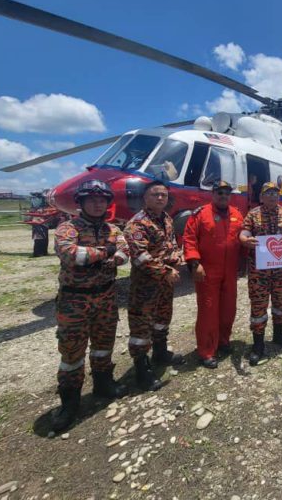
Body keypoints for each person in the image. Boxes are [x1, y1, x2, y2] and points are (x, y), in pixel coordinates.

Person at [51, 180, 130, 432]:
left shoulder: (113, 229)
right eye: (92, 200)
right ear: (81, 203)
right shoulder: (67, 228)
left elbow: (124, 252)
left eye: (102, 200)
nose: (97, 204)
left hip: (106, 296)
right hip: (75, 300)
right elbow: (71, 254)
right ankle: (70, 402)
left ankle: (103, 384)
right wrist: (107, 252)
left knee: (103, 344)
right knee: (72, 352)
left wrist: (110, 256)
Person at [124, 180, 185, 391]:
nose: (160, 198)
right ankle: (142, 370)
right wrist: (166, 271)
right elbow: (140, 256)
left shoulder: (166, 219)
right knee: (141, 327)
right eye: (155, 194)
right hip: (146, 285)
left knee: (162, 319)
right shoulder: (137, 224)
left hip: (165, 285)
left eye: (163, 195)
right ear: (145, 197)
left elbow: (172, 244)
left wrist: (177, 257)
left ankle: (160, 353)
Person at [239, 182, 282, 366]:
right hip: (259, 272)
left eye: (275, 193)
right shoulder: (253, 214)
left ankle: (278, 334)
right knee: (258, 306)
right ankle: (258, 344)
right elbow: (244, 232)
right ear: (261, 197)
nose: (273, 196)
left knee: (280, 303)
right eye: (268, 193)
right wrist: (244, 239)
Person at [183, 180, 244, 369]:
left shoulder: (237, 214)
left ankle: (223, 341)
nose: (223, 196)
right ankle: (207, 351)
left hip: (230, 271)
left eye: (227, 193)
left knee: (228, 309)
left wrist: (244, 261)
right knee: (208, 311)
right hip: (208, 271)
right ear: (213, 194)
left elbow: (242, 239)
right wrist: (194, 263)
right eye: (219, 193)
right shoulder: (200, 214)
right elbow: (189, 239)